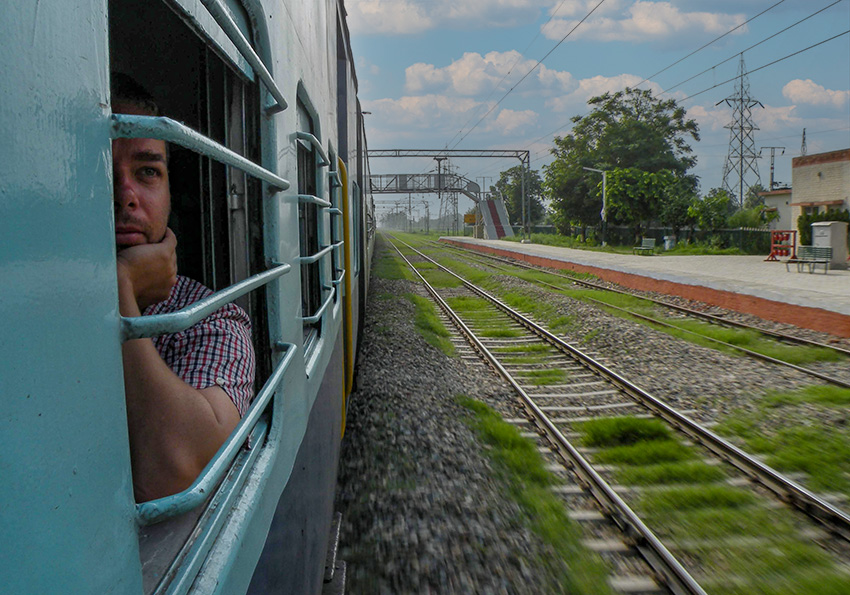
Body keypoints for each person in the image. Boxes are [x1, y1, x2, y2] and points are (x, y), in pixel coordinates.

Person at [111, 73, 255, 502]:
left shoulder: (209, 315)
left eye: (147, 171)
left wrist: (117, 287)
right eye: (96, 169)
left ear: (171, 190)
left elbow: (176, 470)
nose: (125, 196)